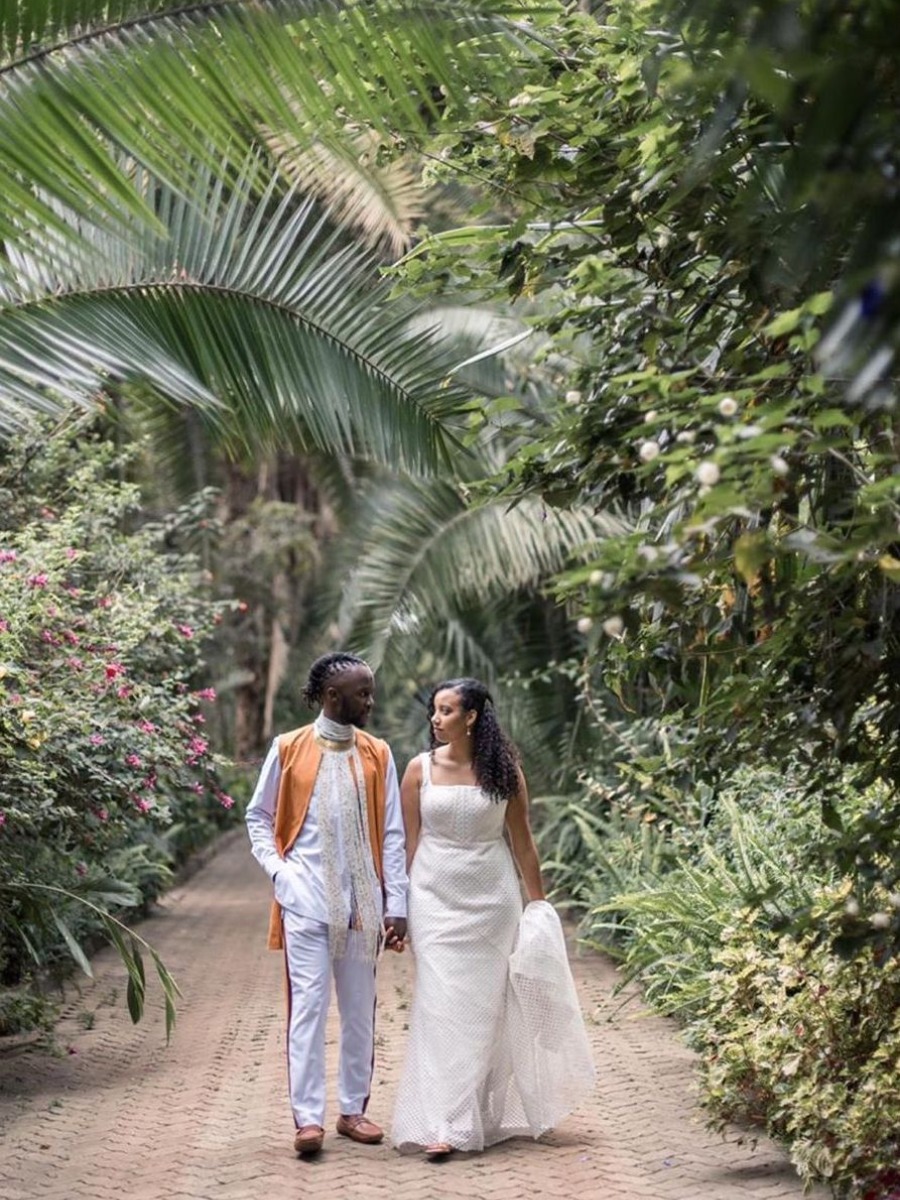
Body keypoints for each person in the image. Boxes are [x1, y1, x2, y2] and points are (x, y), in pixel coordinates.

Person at [391, 677, 595, 1159]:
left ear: (472, 716)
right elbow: (405, 845)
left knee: (483, 1009)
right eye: (434, 711)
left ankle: (467, 1116)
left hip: (491, 898)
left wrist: (539, 906)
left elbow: (523, 843)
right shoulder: (419, 769)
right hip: (433, 896)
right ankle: (443, 1121)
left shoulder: (505, 772)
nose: (435, 719)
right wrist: (395, 909)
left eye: (445, 711)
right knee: (439, 1004)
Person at [245, 651, 408, 1157]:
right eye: (363, 693)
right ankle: (307, 1120)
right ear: (333, 697)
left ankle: (353, 1111)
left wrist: (396, 903)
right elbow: (258, 817)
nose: (370, 700)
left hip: (363, 907)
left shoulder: (378, 752)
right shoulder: (289, 748)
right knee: (309, 1011)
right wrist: (281, 874)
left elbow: (395, 834)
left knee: (360, 1012)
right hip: (306, 904)